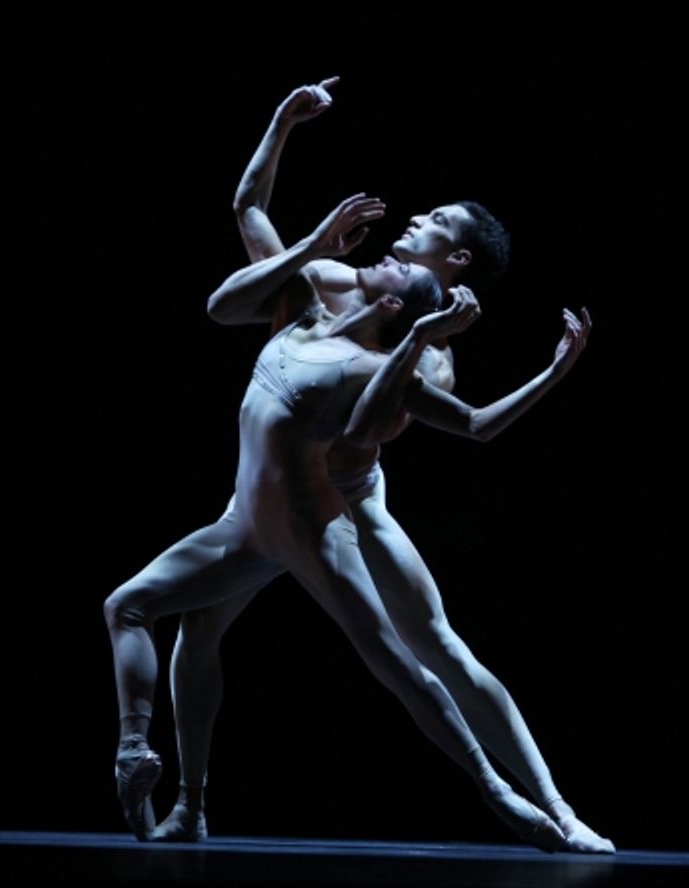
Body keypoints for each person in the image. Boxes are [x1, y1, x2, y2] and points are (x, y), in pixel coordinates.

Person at [151, 78, 614, 853]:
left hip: (346, 509)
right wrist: (283, 123)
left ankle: (556, 807)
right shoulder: (341, 279)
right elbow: (250, 218)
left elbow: (375, 439)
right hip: (271, 500)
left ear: (455, 259)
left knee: (434, 646)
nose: (413, 218)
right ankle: (190, 806)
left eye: (433, 222)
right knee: (197, 629)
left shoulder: (431, 363)